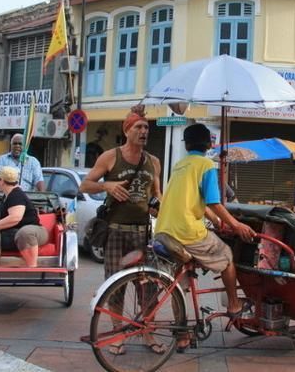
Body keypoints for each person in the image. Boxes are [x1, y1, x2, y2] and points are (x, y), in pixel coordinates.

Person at [155, 123, 256, 352]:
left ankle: (181, 336)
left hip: (165, 229)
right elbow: (213, 202)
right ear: (210, 144)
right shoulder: (206, 165)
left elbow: (200, 203)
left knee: (179, 285)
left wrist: (220, 222)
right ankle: (233, 304)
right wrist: (236, 224)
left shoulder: (181, 166)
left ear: (187, 144)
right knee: (228, 257)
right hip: (186, 231)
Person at [79, 105, 162, 355]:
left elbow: (157, 195)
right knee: (116, 285)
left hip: (142, 233)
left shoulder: (154, 162)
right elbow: (85, 185)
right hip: (116, 231)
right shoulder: (110, 157)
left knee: (148, 287)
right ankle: (117, 335)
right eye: (138, 127)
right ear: (127, 130)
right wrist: (108, 186)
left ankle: (147, 333)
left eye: (146, 127)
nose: (143, 131)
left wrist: (158, 208)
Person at [0, 166, 48, 267]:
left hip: (34, 231)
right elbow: (5, 216)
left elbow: (15, 218)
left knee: (24, 232)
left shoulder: (16, 195)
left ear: (1, 181)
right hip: (11, 234)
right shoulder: (7, 195)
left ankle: (32, 268)